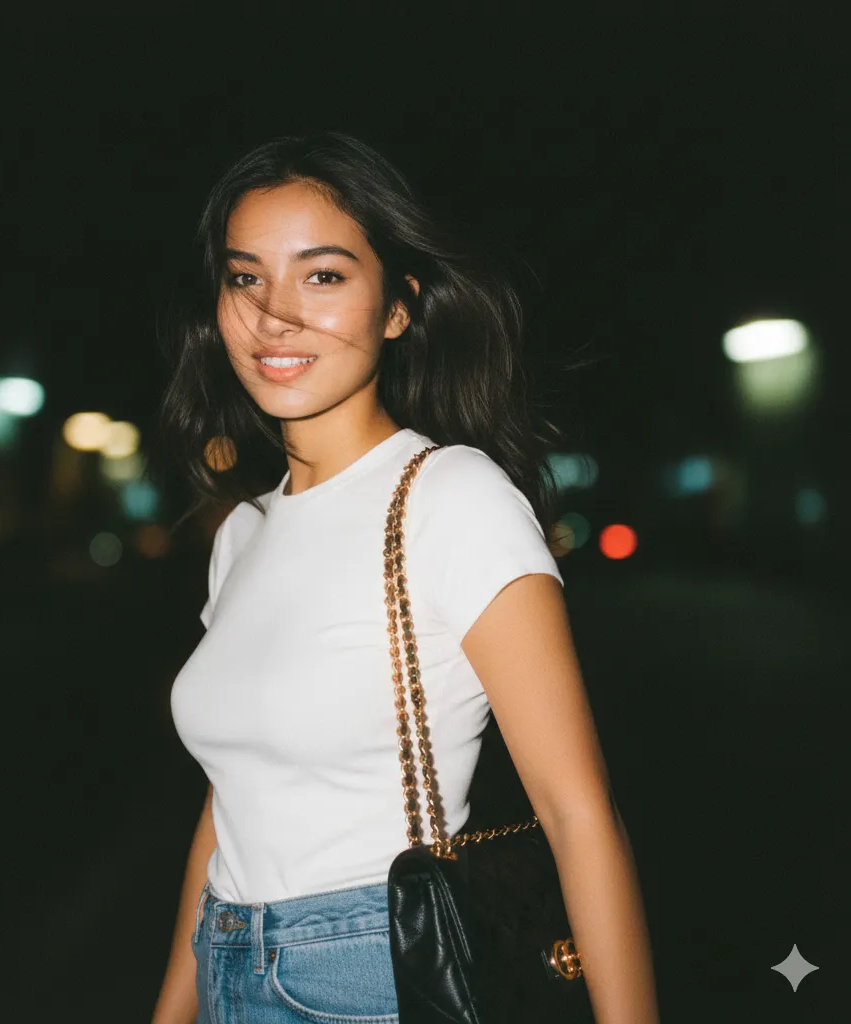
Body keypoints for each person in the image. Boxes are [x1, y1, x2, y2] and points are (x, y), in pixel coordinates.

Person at [151, 131, 659, 1023]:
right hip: (225, 959)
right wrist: (174, 1009)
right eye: (245, 278)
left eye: (323, 275)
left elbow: (576, 811)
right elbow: (232, 804)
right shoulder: (244, 533)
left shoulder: (449, 498)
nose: (275, 315)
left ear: (397, 307)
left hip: (370, 975)